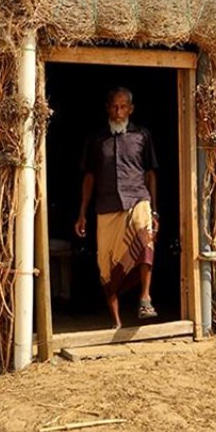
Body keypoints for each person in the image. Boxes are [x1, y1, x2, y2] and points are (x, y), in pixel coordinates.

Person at [74, 87, 160, 329]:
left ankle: (145, 298)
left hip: (138, 199)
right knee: (106, 265)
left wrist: (154, 210)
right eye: (114, 106)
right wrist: (82, 213)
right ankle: (117, 322)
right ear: (107, 108)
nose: (118, 111)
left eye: (123, 106)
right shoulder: (96, 140)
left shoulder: (142, 136)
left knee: (144, 240)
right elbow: (89, 177)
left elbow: (150, 174)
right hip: (107, 205)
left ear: (131, 109)